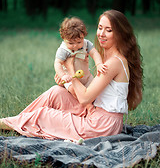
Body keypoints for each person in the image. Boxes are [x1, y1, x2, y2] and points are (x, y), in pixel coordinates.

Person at [0, 10, 143, 142]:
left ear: (120, 33)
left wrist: (70, 70)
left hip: (101, 126)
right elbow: (94, 90)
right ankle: (15, 121)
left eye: (109, 30)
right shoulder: (107, 57)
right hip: (94, 111)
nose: (101, 34)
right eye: (100, 28)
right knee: (55, 92)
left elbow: (85, 98)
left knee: (44, 115)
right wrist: (66, 81)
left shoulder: (114, 62)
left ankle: (9, 123)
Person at [54, 17, 107, 95]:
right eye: (71, 43)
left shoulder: (86, 44)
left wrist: (99, 64)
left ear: (83, 36)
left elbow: (94, 53)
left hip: (86, 77)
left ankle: (91, 103)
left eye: (79, 42)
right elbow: (57, 63)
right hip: (70, 79)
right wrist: (62, 75)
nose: (75, 46)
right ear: (63, 38)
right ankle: (88, 106)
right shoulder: (63, 50)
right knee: (73, 90)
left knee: (95, 89)